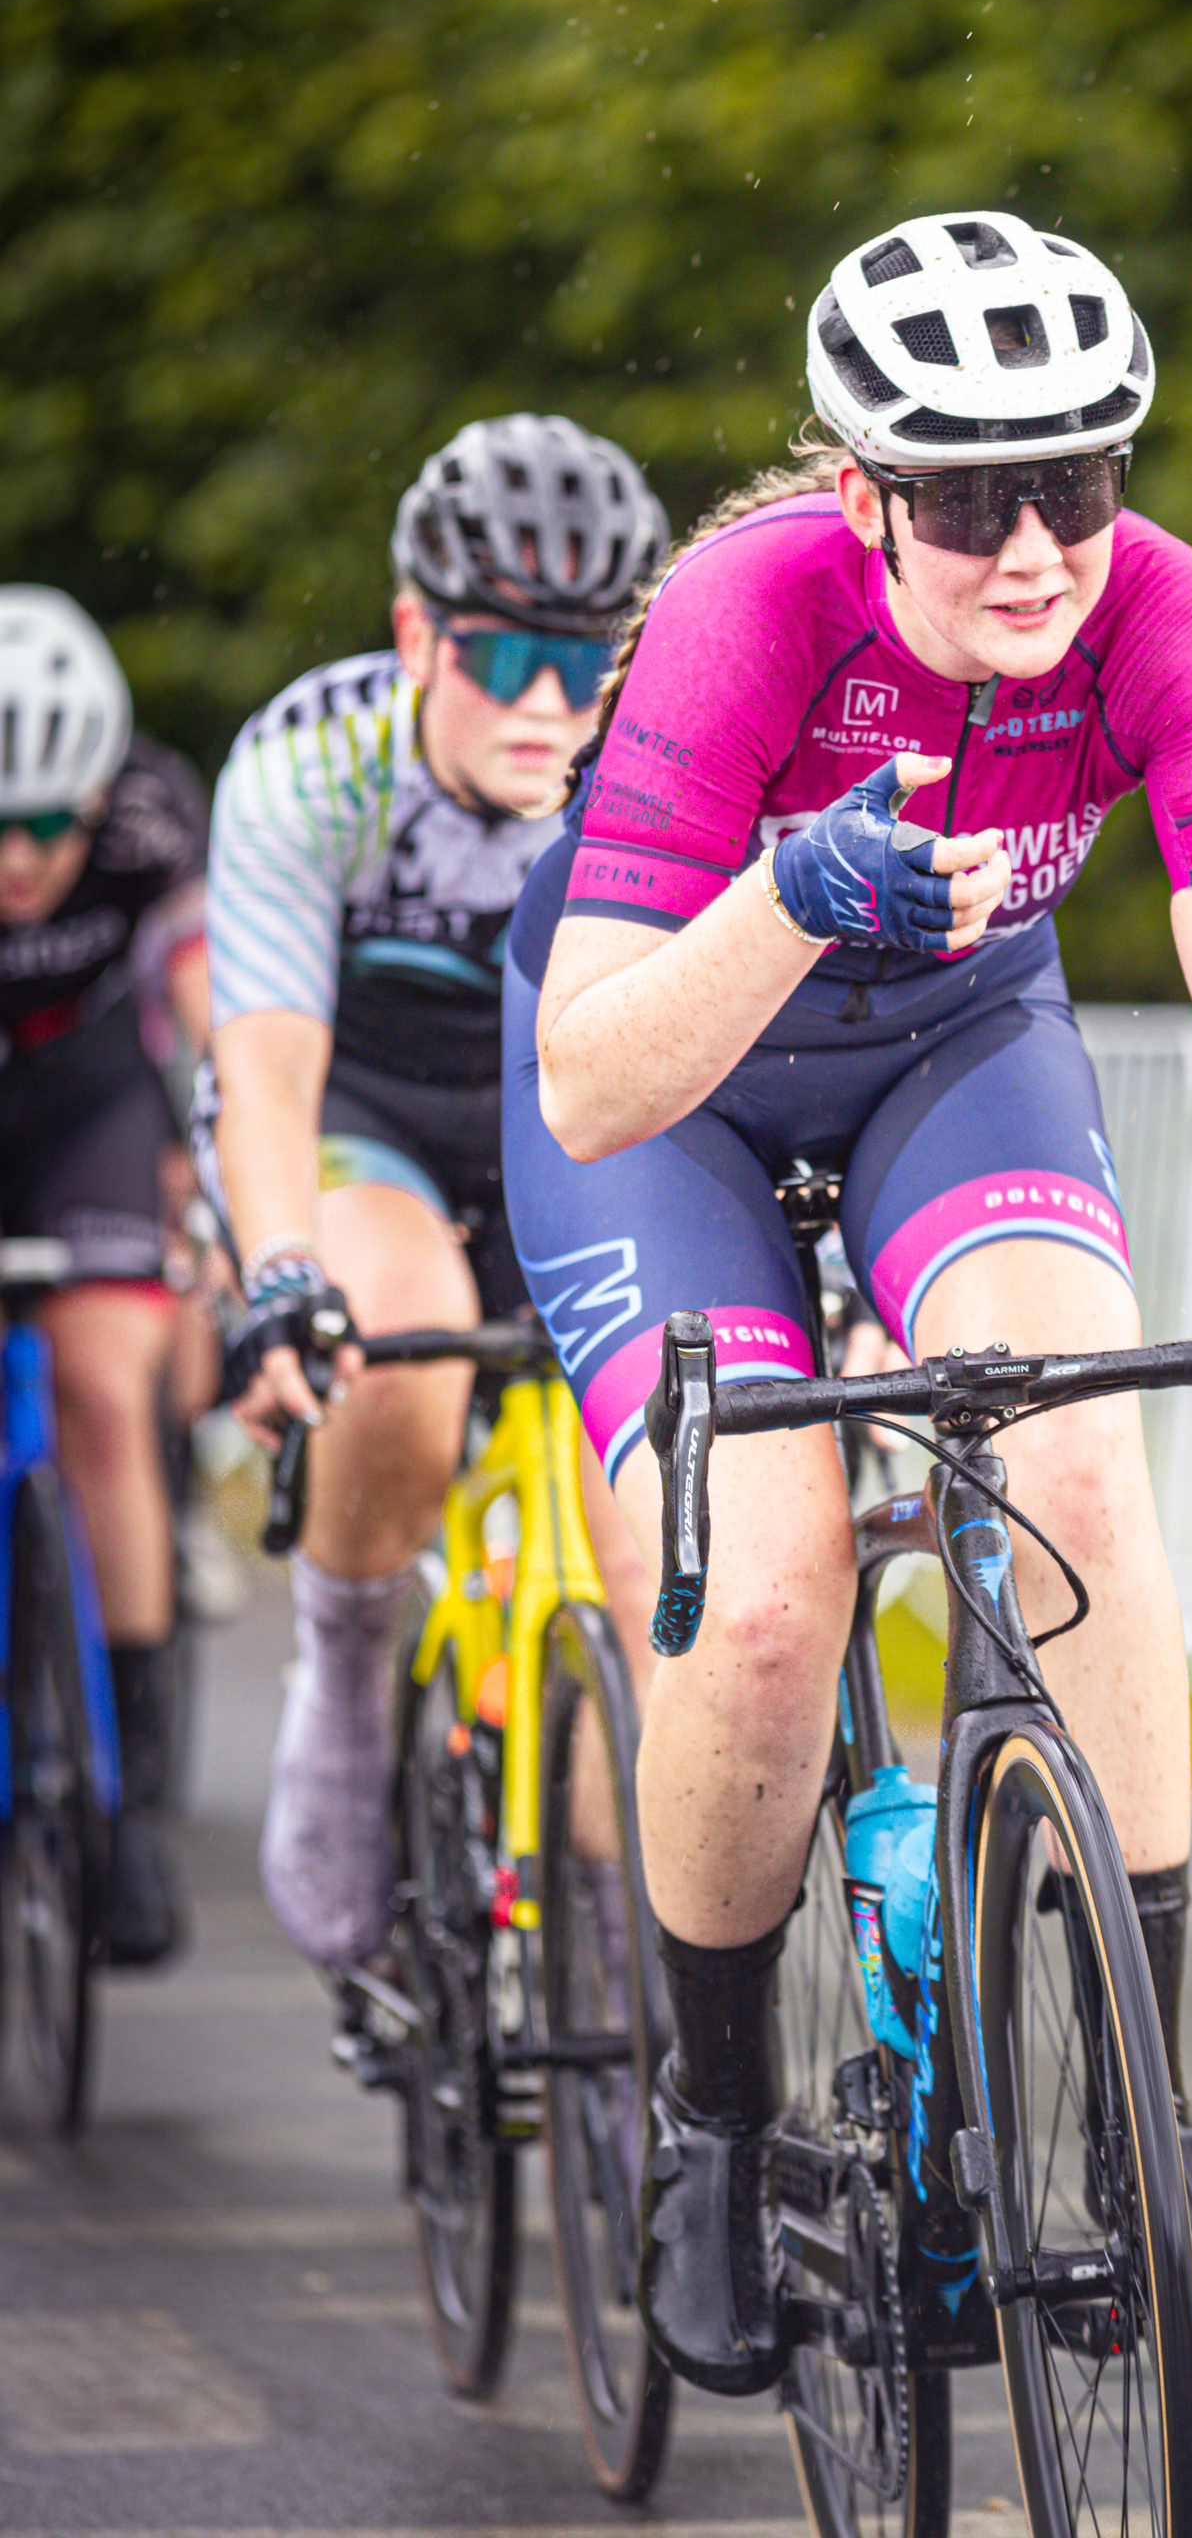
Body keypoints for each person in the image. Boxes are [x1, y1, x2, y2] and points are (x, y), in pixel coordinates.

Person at [503, 210, 1192, 2393]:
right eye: (970, 499)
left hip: (951, 1048)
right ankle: (714, 2131)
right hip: (682, 1083)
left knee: (1081, 1464)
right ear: (862, 496)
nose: (1033, 551)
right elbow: (593, 1066)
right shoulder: (753, 610)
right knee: (779, 1590)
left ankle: (1135, 2111)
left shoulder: (1174, 618)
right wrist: (792, 891)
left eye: (1076, 483)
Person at [197, 413, 671, 1971]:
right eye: (503, 654)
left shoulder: (655, 753)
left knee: (661, 1539)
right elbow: (265, 1068)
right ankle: (343, 1679)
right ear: (418, 634)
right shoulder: (314, 760)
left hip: (569, 1127)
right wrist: (277, 1269)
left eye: (586, 653)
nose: (550, 700)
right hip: (366, 1118)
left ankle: (629, 1967)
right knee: (397, 1340)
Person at [0, 586, 209, 1963]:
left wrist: (216, 1159)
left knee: (102, 1388)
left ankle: (130, 1805)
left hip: (86, 1106)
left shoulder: (147, 811)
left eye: (49, 826)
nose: (23, 860)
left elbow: (202, 993)